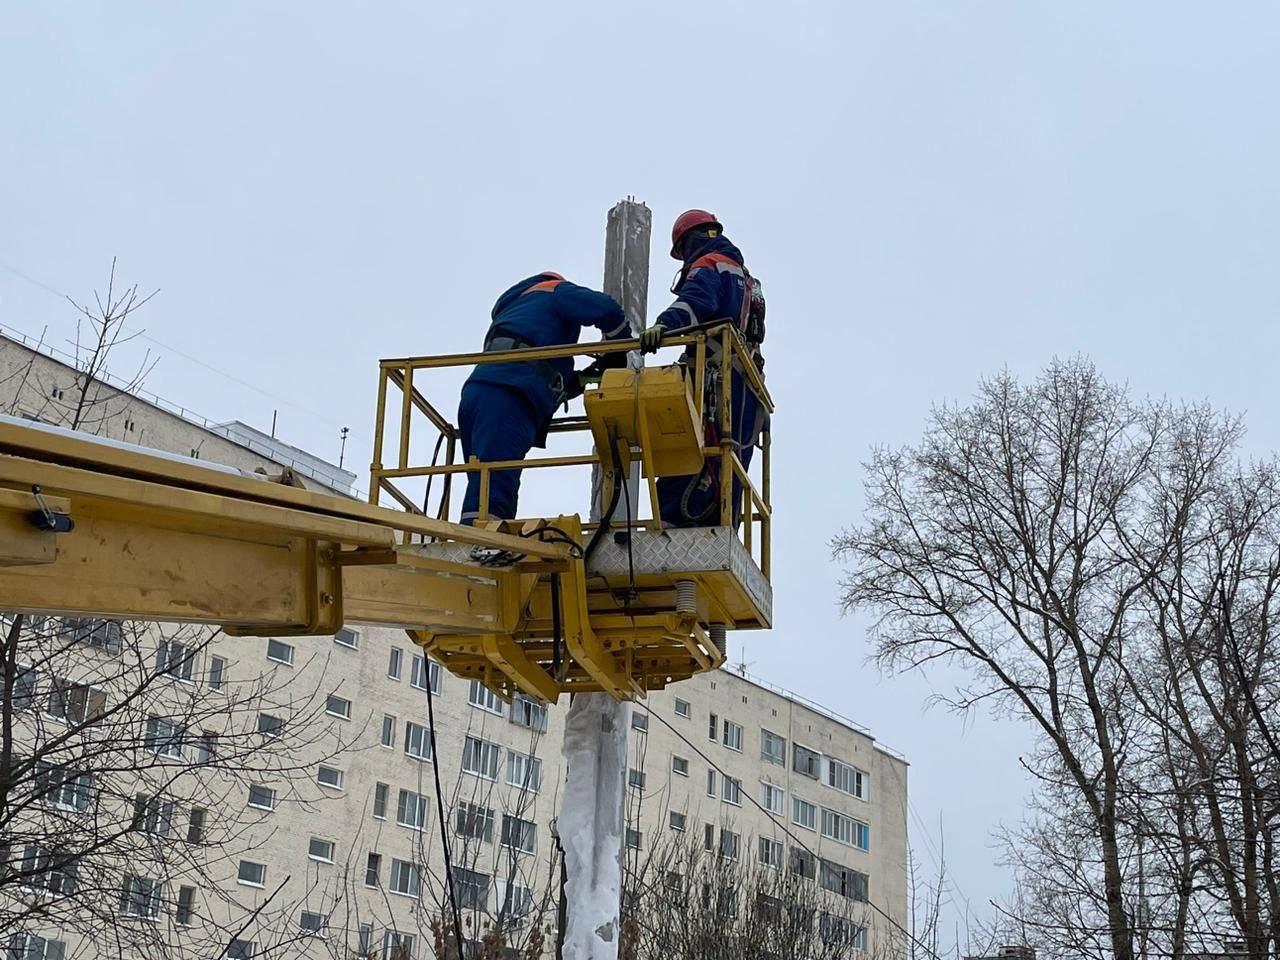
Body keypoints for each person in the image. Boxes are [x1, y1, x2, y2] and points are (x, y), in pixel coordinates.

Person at [458, 272, 628, 525]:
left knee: (482, 480)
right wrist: (620, 347)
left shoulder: (518, 312)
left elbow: (545, 372)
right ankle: (482, 539)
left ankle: (477, 532)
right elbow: (607, 309)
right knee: (494, 483)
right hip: (509, 393)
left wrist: (584, 379)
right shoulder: (555, 290)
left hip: (482, 391)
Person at [642, 210, 767, 527]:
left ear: (690, 241)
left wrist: (664, 325)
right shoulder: (748, 280)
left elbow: (696, 302)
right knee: (730, 457)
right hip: (747, 386)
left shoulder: (709, 264)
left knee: (686, 442)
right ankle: (725, 524)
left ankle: (673, 521)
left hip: (713, 377)